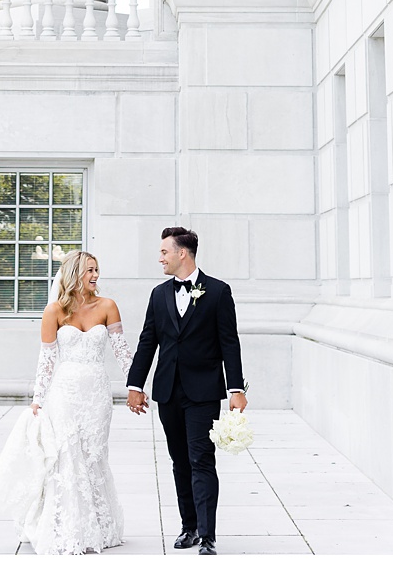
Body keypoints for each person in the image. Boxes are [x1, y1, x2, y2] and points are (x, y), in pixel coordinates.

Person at [0, 250, 135, 555]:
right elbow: (47, 359)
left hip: (97, 394)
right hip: (64, 393)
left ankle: (98, 526)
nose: (95, 276)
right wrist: (38, 399)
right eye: (90, 270)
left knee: (93, 455)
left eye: (97, 270)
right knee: (67, 455)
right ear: (74, 274)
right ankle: (66, 526)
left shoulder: (108, 306)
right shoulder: (53, 311)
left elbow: (122, 352)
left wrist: (136, 386)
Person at [126, 227, 247, 556]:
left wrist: (236, 388)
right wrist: (136, 385)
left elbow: (229, 343)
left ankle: (207, 536)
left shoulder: (219, 292)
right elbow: (147, 341)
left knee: (201, 459)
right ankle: (189, 527)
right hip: (167, 392)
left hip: (204, 391)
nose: (160, 257)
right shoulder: (159, 294)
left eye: (165, 251)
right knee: (180, 461)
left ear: (183, 253)